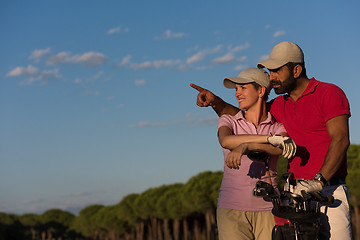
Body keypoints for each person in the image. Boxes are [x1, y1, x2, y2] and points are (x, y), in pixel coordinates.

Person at [190, 41, 352, 239]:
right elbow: (241, 115)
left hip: (328, 190)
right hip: (294, 195)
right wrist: (215, 101)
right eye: (270, 71)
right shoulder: (278, 105)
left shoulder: (328, 93)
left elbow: (341, 139)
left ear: (296, 69)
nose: (271, 77)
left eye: (276, 71)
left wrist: (319, 181)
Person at [210, 67, 296, 240]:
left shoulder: (277, 126)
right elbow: (226, 141)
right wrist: (269, 139)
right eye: (236, 89)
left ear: (261, 91)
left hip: (270, 210)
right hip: (231, 210)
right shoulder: (228, 121)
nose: (237, 94)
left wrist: (246, 146)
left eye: (243, 88)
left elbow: (280, 147)